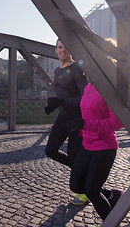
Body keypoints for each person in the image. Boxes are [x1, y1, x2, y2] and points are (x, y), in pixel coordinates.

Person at [69, 77, 123, 220]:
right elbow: (87, 114)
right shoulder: (88, 87)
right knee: (75, 185)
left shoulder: (108, 89)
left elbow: (117, 122)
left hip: (104, 147)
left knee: (92, 192)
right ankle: (114, 195)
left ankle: (111, 222)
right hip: (87, 145)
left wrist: (86, 125)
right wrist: (77, 128)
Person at [44, 39, 89, 205]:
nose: (63, 50)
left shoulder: (76, 68)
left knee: (74, 155)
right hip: (62, 118)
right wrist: (54, 105)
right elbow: (64, 94)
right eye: (60, 47)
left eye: (66, 47)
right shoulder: (56, 71)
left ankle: (83, 193)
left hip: (77, 119)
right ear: (55, 50)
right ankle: (84, 173)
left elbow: (85, 96)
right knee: (50, 150)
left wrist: (62, 103)